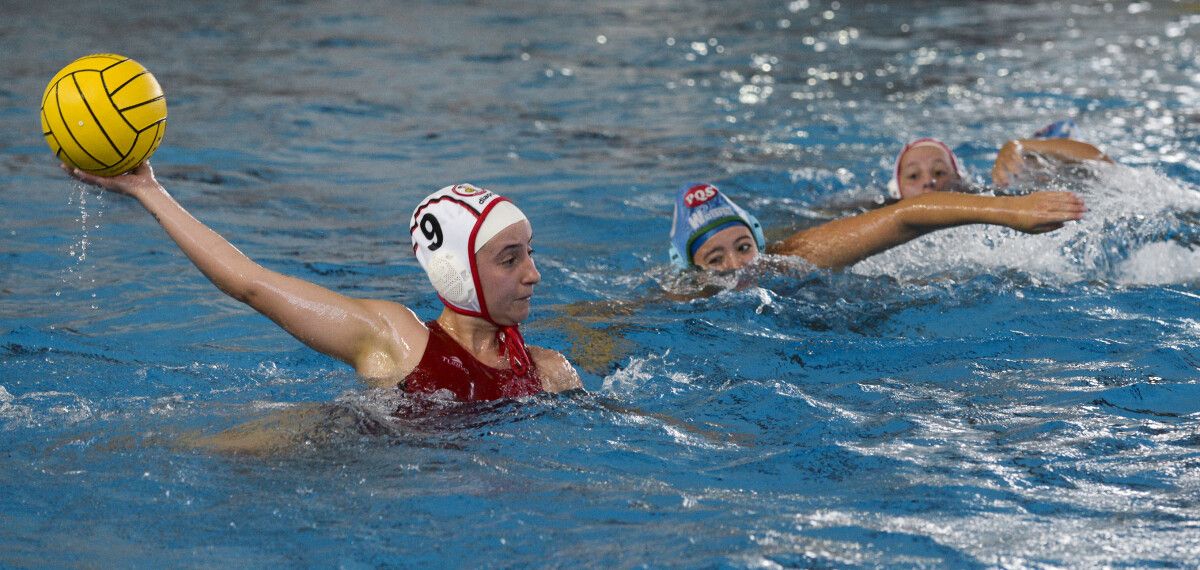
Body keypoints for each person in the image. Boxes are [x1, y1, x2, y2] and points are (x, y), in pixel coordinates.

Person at [63, 162, 582, 402]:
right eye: (510, 259)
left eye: (529, 254)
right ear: (459, 271)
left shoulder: (549, 371)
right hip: (347, 466)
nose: (533, 273)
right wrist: (147, 190)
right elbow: (252, 284)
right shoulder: (394, 339)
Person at [670, 182, 1086, 272]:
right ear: (691, 268)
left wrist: (1013, 211)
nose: (738, 266)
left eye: (743, 248)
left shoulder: (794, 257)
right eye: (715, 258)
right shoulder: (677, 298)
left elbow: (906, 215)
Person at [888, 120, 1112, 200]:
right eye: (914, 176)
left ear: (958, 180)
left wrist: (1019, 146)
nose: (929, 183)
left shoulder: (987, 197)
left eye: (939, 172)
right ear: (897, 189)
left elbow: (1103, 165)